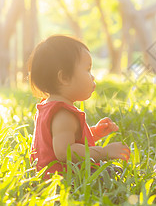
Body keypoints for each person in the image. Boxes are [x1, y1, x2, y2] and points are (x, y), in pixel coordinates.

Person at [28, 35, 130, 178]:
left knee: (114, 171)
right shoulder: (63, 114)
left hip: (50, 175)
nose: (92, 77)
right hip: (65, 177)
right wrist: (104, 152)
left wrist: (95, 133)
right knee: (115, 174)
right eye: (88, 70)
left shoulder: (47, 106)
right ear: (64, 78)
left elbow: (67, 139)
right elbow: (66, 152)